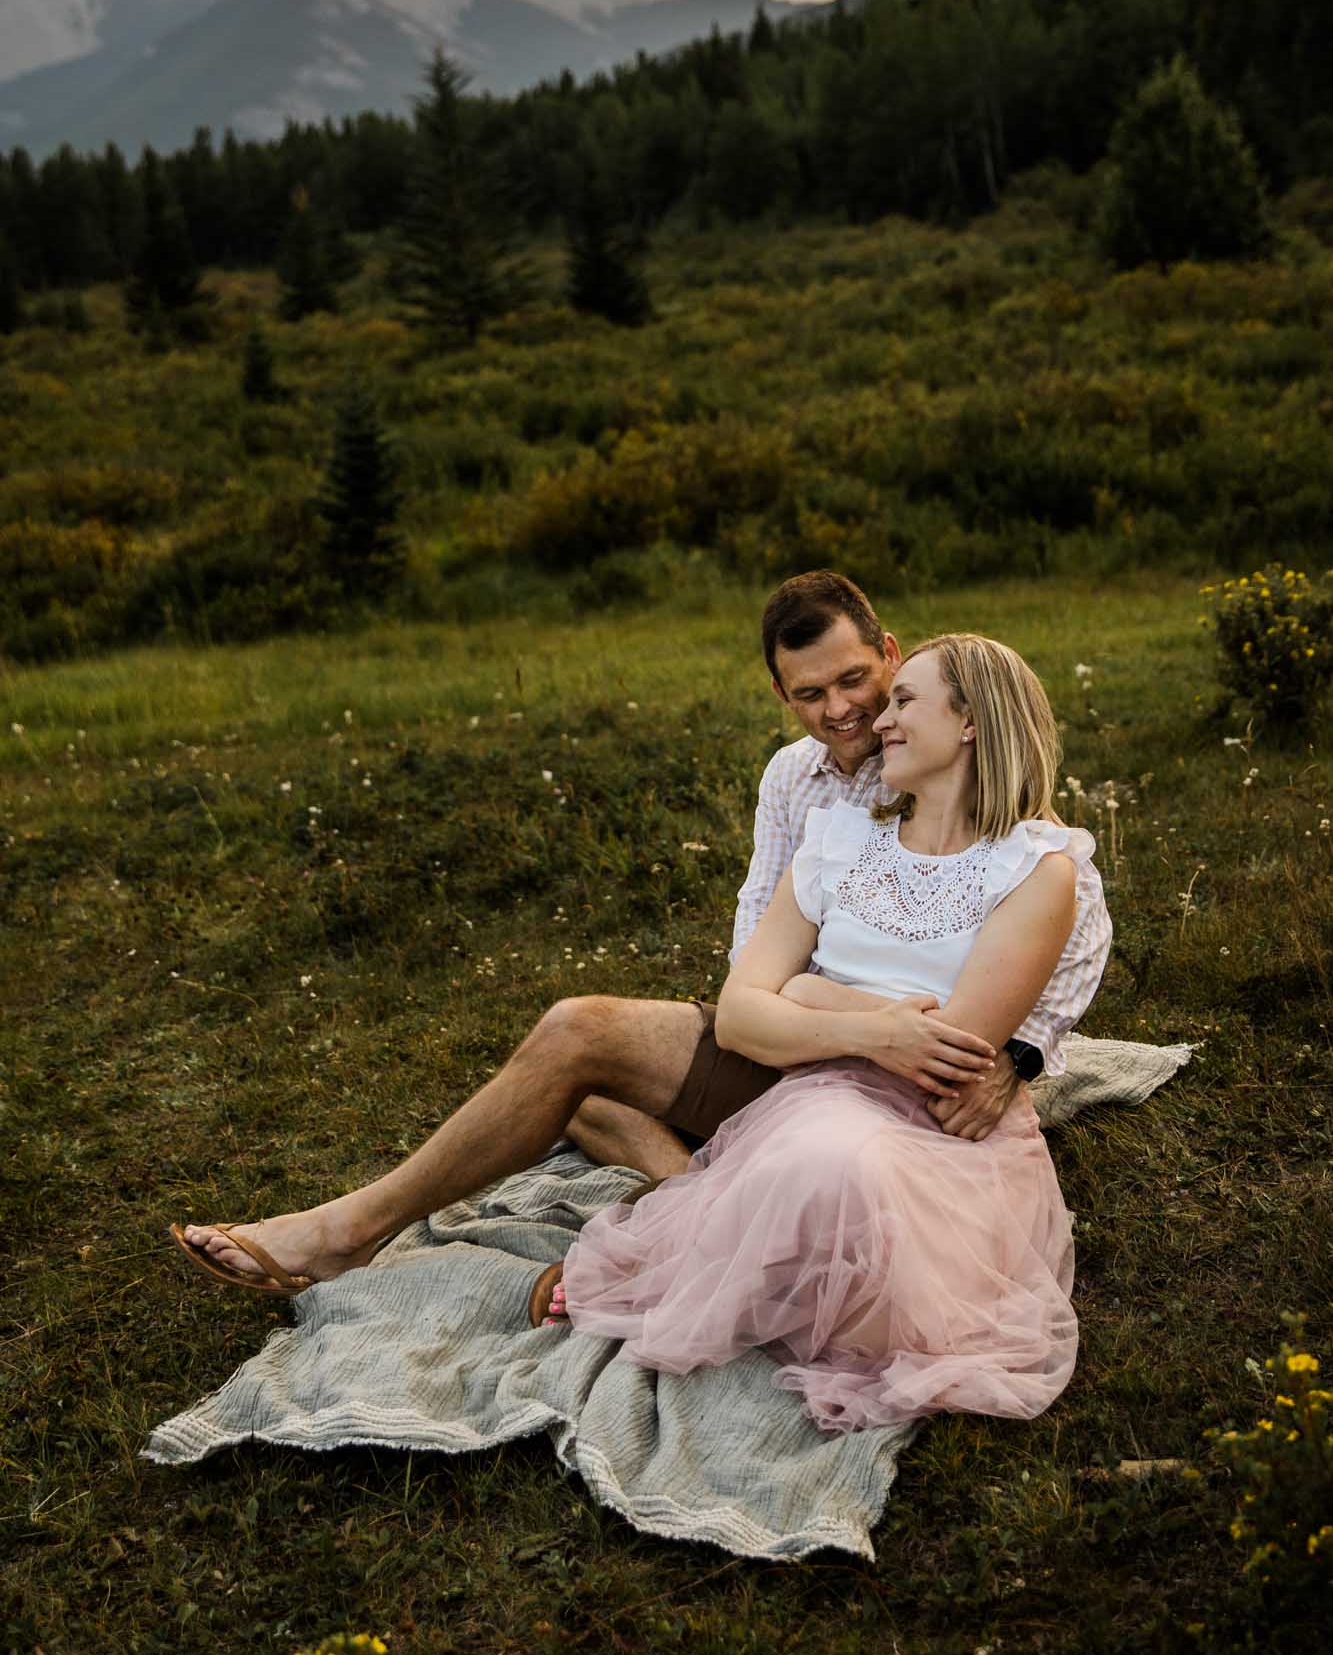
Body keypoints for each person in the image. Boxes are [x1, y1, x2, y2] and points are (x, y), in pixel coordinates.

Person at [170, 577, 1019, 1295]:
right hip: (785, 1028)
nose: (840, 710)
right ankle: (697, 1195)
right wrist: (774, 1006)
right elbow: (750, 940)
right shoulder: (790, 777)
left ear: (892, 655)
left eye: (856, 680)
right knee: (573, 1060)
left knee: (577, 1070)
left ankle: (348, 1232)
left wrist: (1020, 1060)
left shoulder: (939, 754)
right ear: (779, 696)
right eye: (808, 693)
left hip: (888, 1069)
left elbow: (1054, 910)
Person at [533, 634, 1111, 1434]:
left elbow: (950, 1058)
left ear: (971, 721)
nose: (880, 723)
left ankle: (722, 1254)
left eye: (903, 701)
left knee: (839, 1161)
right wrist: (871, 1023)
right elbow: (739, 1014)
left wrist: (806, 994)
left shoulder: (1036, 866)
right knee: (817, 1147)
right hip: (816, 1089)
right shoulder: (839, 837)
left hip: (934, 1128)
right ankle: (718, 1257)